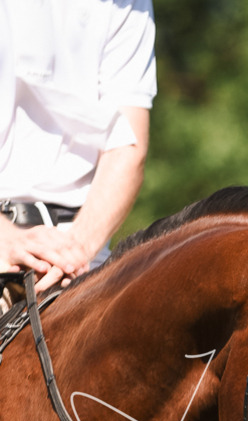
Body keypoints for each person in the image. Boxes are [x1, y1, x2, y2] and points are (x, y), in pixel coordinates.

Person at [0, 0, 156, 307]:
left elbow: (127, 147)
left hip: (82, 258)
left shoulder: (131, 5)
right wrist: (7, 238)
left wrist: (74, 253)